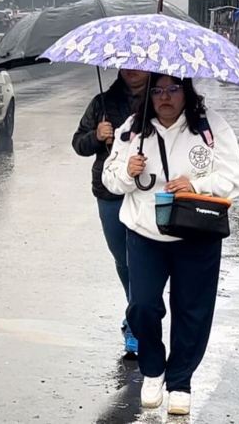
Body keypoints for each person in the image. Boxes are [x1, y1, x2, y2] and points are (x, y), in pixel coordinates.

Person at [101, 72, 239, 415]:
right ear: (150, 95)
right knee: (142, 306)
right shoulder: (132, 130)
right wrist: (127, 172)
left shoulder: (211, 128)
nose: (166, 98)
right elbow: (110, 178)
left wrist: (198, 185)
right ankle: (153, 370)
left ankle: (180, 381)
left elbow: (234, 179)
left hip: (196, 233)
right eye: (159, 91)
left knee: (192, 311)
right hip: (144, 233)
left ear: (186, 91)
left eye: (173, 90)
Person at [71, 69, 150, 356]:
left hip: (147, 192)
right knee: (123, 259)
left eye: (138, 64)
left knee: (142, 259)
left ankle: (138, 322)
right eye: (126, 64)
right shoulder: (102, 103)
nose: (132, 70)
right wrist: (95, 135)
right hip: (110, 192)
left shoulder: (160, 98)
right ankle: (136, 311)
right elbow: (78, 143)